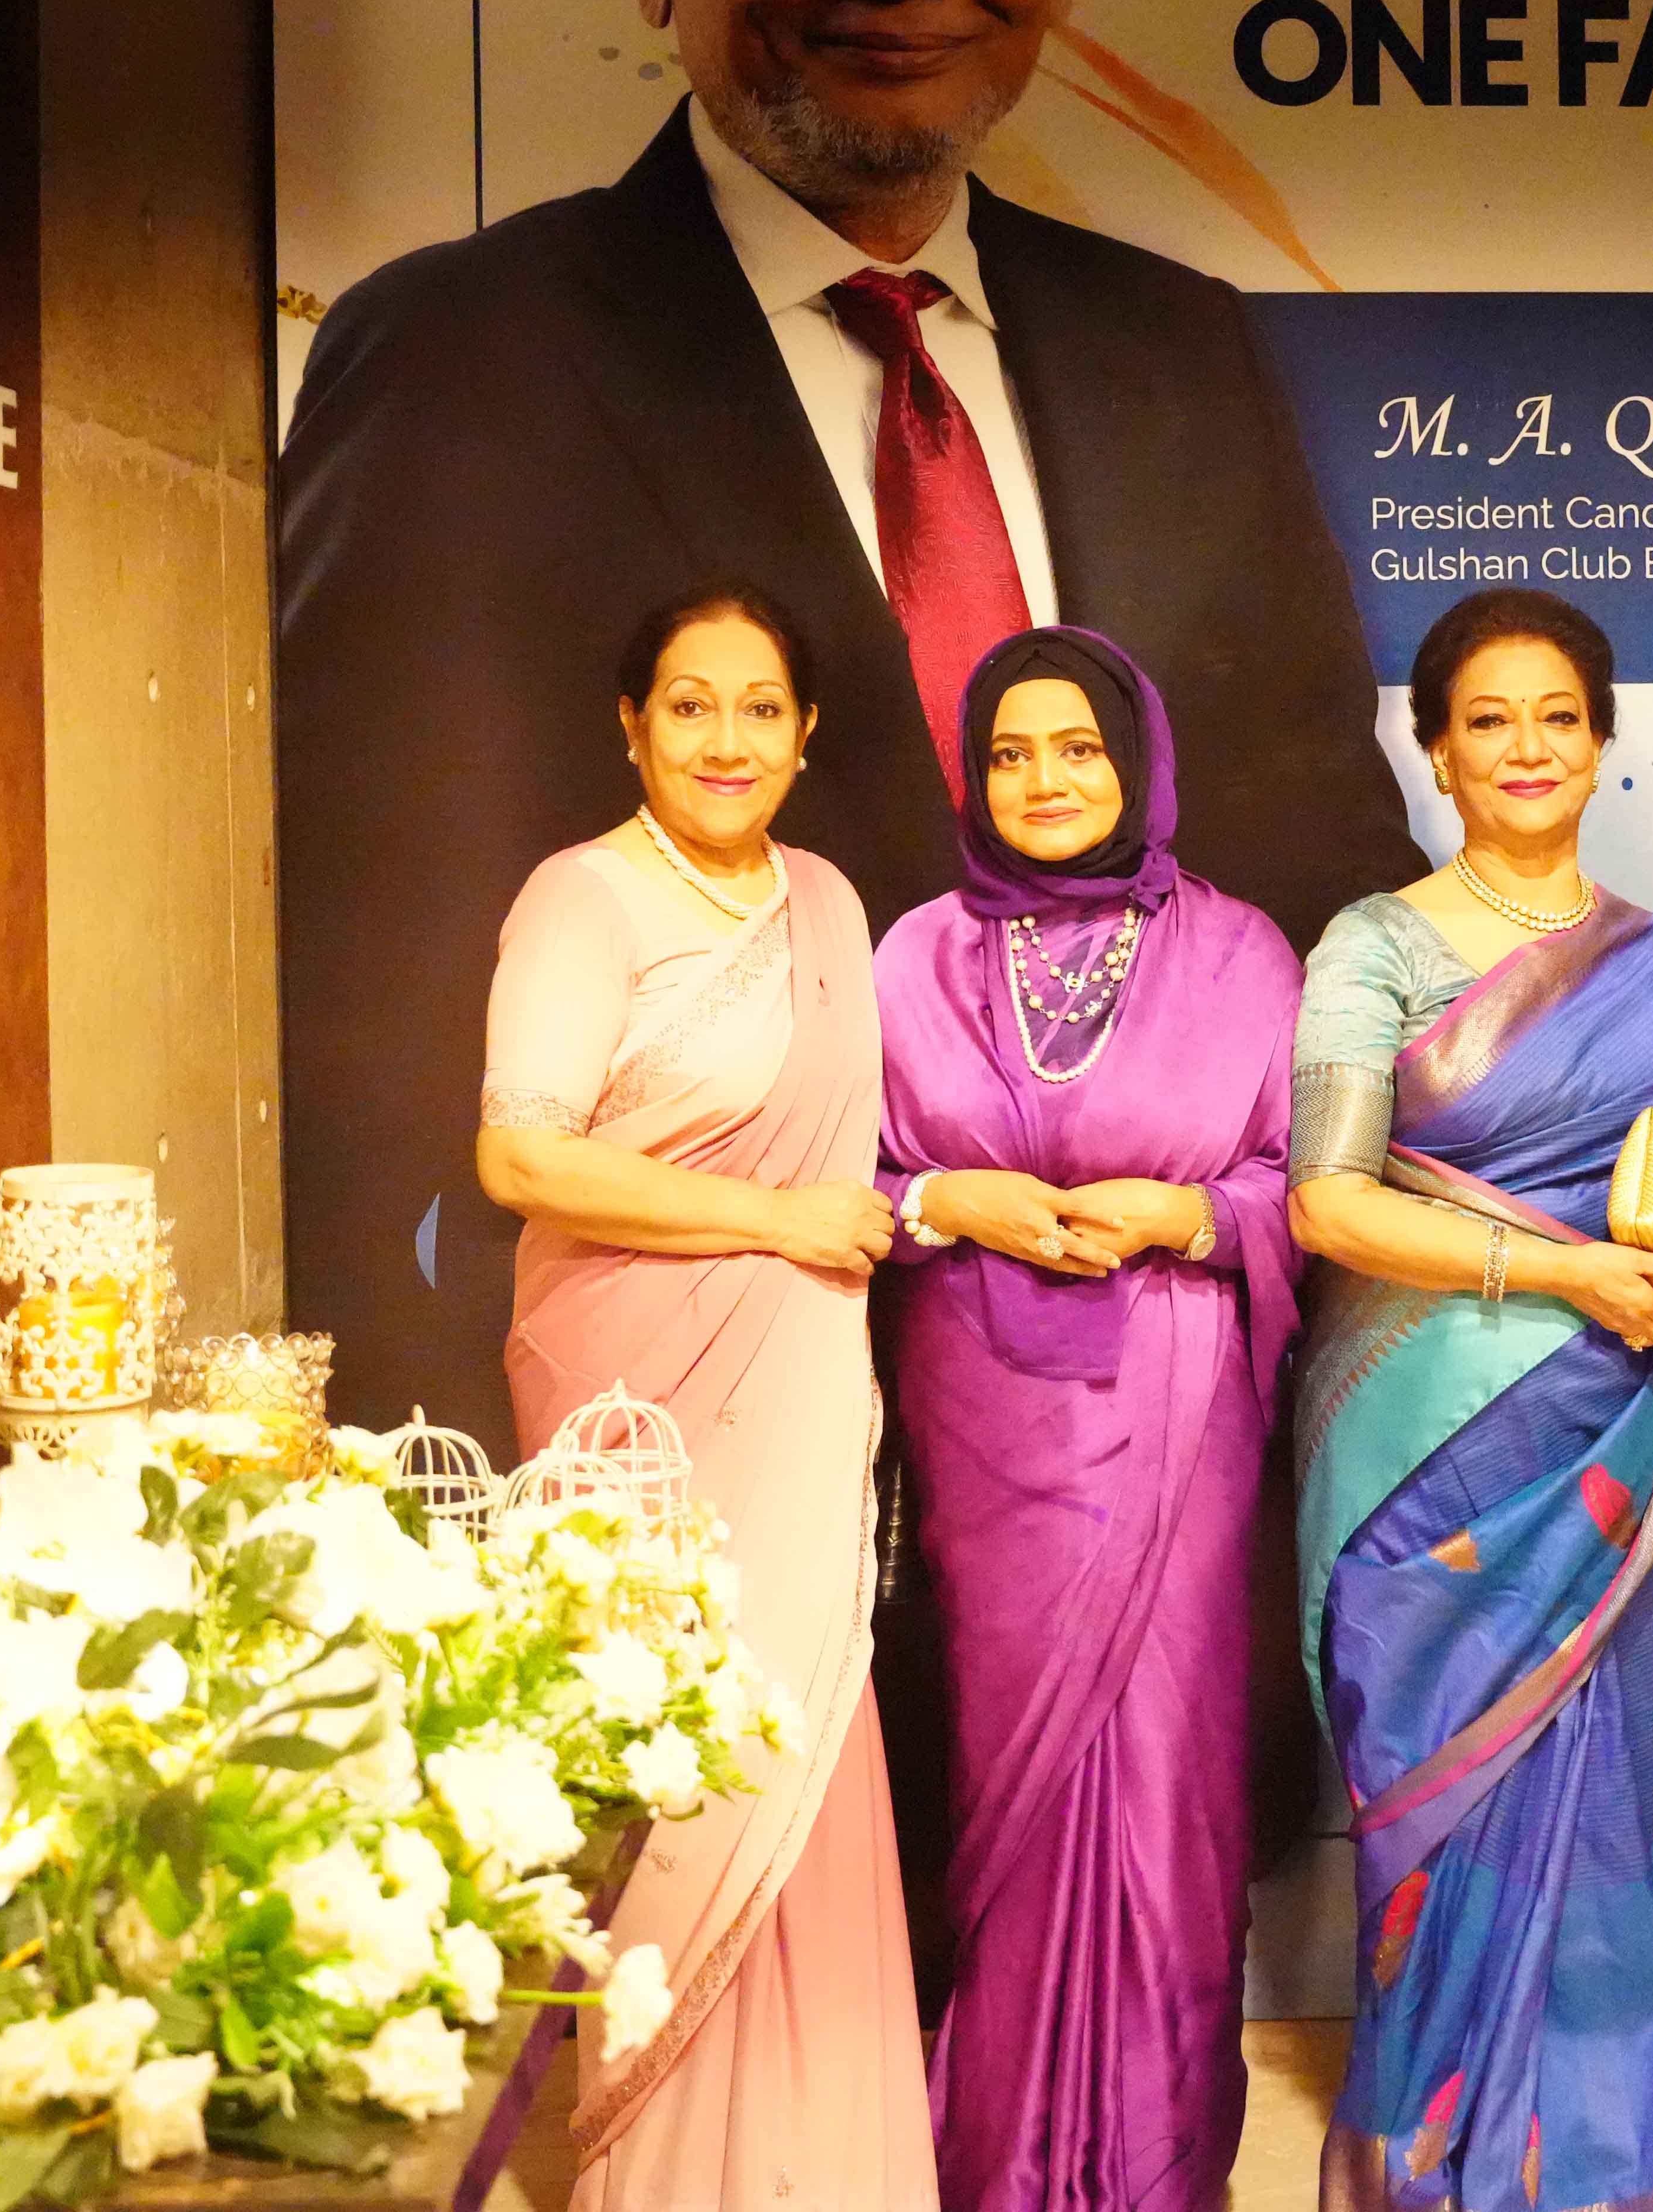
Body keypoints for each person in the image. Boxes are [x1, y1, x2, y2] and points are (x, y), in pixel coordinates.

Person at [277, 0, 1416, 1441]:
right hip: (682, 1421)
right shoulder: (462, 359)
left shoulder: (1184, 353)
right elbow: (354, 1005)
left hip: (1156, 1412)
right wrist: (440, 1474)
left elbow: (1326, 892)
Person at [1283, 586, 1653, 2212]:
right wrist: (1565, 1274)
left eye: (1558, 717)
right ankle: (1442, 2163)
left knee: (1615, 1815)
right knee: (1441, 1812)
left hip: (1624, 1453)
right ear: (1435, 751)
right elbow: (1329, 1202)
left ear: (1601, 742)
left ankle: (1613, 2162)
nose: (1525, 748)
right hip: (1422, 1460)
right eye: (1487, 720)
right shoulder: (1372, 947)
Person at [470, 578, 934, 2212]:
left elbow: (870, 1161)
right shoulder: (582, 900)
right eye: (689, 704)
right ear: (632, 725)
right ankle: (666, 2168)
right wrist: (776, 1220)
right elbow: (523, 1157)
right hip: (638, 1406)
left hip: (798, 1393)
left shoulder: (829, 900)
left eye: (758, 707)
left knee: (803, 1746)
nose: (724, 739)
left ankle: (824, 2171)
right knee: (674, 1759)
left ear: (806, 735)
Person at [868, 628, 1299, 2212]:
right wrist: (944, 1199)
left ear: (1138, 762)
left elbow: (1303, 1186)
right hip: (982, 1411)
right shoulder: (913, 956)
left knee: (1169, 1765)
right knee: (1008, 1767)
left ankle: (1155, 2162)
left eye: (1078, 749)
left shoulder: (1240, 953)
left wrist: (1190, 1217)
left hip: (1174, 1402)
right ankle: (1007, 2159)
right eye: (1009, 754)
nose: (1044, 780)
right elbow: (842, 1176)